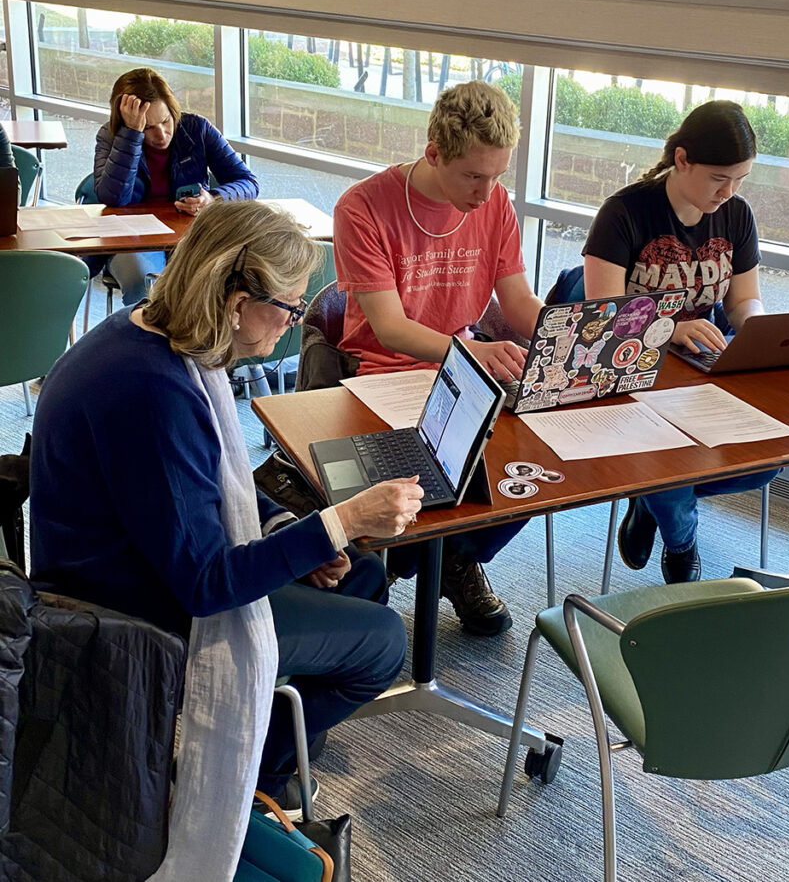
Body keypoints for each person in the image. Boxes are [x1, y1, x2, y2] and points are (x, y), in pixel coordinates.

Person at [30, 199, 423, 820]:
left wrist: (287, 528)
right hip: (121, 607)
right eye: (290, 306)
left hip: (132, 561)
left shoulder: (150, 337)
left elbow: (212, 482)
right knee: (381, 643)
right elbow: (206, 584)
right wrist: (339, 522)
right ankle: (255, 779)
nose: (293, 323)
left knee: (364, 575)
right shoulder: (153, 393)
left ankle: (278, 744)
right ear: (238, 302)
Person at [333, 80, 543, 636]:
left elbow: (519, 303)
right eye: (473, 175)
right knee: (451, 468)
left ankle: (453, 555)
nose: (486, 191)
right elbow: (391, 328)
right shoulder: (363, 207)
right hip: (382, 372)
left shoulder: (494, 202)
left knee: (540, 469)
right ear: (433, 154)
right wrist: (473, 351)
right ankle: (428, 553)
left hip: (461, 367)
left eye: (498, 175)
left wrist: (567, 337)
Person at [582, 100, 779, 583]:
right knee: (660, 453)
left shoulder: (736, 216)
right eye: (719, 178)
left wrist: (754, 327)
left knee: (768, 462)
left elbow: (742, 300)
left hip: (700, 368)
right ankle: (681, 536)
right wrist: (668, 328)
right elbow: (601, 317)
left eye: (741, 180)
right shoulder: (624, 213)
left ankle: (652, 498)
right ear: (683, 159)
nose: (729, 192)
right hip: (632, 370)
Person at [92, 67, 259, 306]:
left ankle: (202, 342)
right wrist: (131, 136)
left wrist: (213, 198)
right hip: (132, 242)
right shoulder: (111, 137)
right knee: (144, 285)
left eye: (165, 121)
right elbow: (114, 197)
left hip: (192, 237)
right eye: (148, 127)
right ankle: (146, 342)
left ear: (173, 110)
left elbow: (248, 182)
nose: (161, 134)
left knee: (224, 281)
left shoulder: (196, 129)